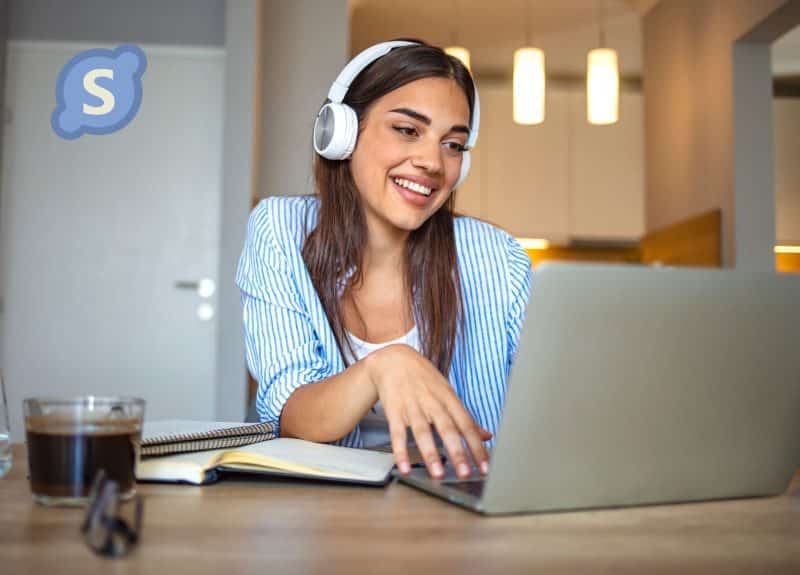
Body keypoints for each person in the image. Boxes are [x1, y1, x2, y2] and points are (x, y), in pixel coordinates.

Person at [236, 40, 532, 481]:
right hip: (323, 513)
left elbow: (549, 412)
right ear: (342, 135)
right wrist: (384, 365)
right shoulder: (280, 230)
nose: (433, 161)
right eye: (408, 130)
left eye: (453, 144)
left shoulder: (498, 258)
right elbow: (292, 413)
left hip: (465, 508)